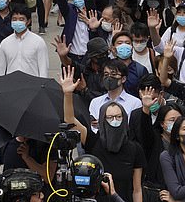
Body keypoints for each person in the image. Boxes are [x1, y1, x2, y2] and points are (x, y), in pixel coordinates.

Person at [61, 66, 145, 202]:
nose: (114, 121)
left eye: (118, 117)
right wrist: (67, 94)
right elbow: (70, 120)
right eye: (110, 118)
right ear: (101, 120)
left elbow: (137, 190)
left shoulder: (135, 149)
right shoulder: (93, 141)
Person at [0, 4, 49, 78]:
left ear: (28, 21)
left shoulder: (38, 42)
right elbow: (0, 70)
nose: (17, 22)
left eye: (21, 19)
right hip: (11, 85)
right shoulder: (5, 43)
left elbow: (43, 69)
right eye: (14, 19)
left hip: (33, 86)